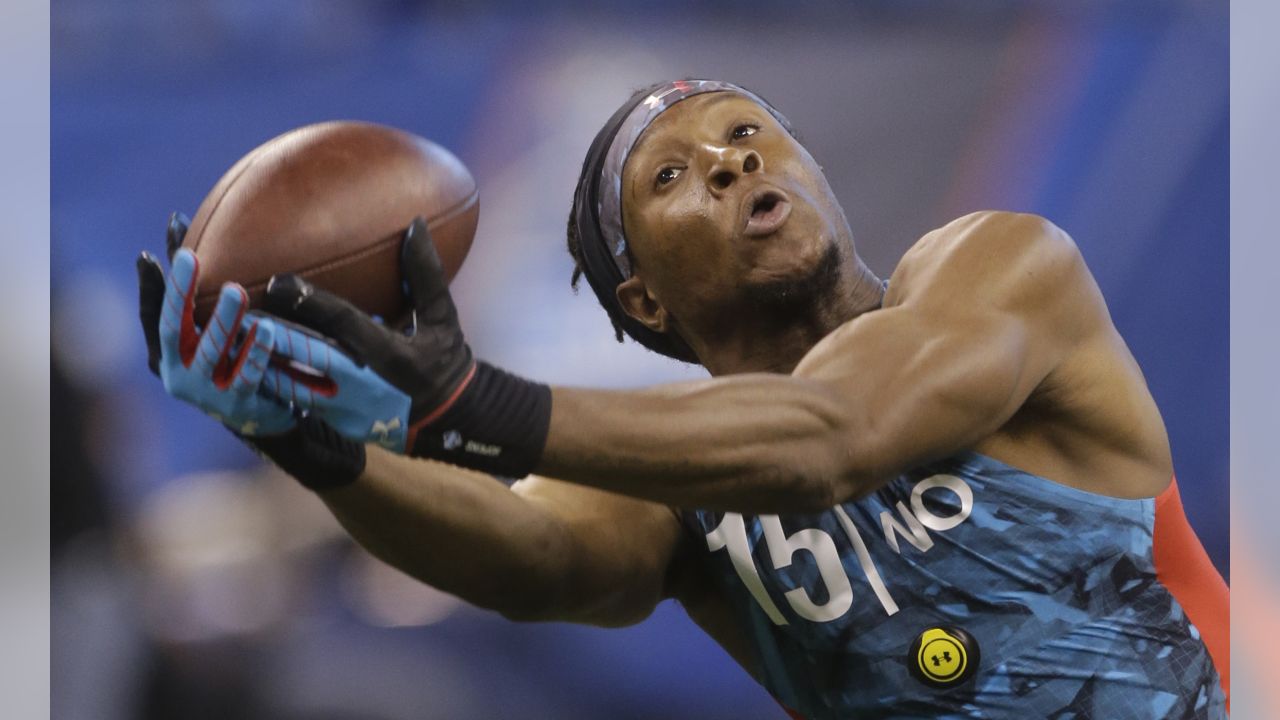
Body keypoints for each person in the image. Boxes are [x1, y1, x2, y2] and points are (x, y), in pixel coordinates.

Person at [137, 79, 1229, 719]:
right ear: (644, 300)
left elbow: (833, 435)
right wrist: (313, 445)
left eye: (748, 136)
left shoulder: (1001, 267)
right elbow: (532, 559)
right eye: (670, 177)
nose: (729, 163)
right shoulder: (677, 485)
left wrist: (464, 402)